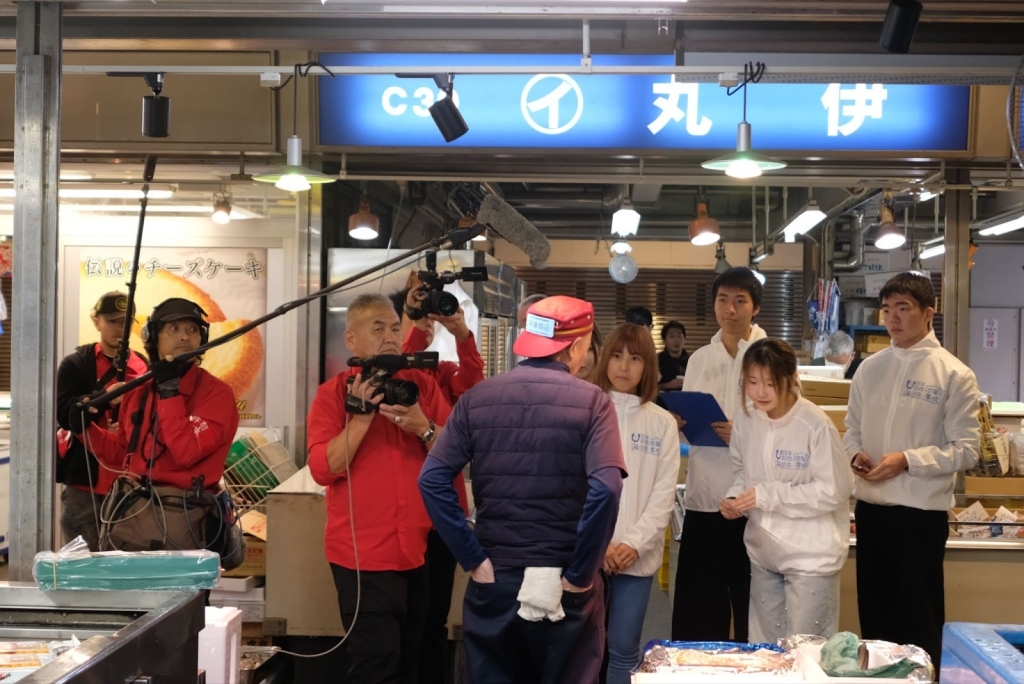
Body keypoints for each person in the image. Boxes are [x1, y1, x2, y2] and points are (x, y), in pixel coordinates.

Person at [419, 295, 626, 684]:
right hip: (567, 583)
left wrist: (471, 557)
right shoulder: (594, 403)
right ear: (576, 347)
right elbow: (607, 488)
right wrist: (583, 572)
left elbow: (431, 479)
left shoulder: (478, 398)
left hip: (495, 578)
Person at [307, 293, 451, 684]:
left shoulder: (420, 385)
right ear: (351, 339)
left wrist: (423, 427)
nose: (390, 336)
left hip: (417, 551)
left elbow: (457, 452)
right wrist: (359, 420)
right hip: (362, 558)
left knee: (410, 663)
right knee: (376, 666)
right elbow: (322, 469)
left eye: (394, 328)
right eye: (378, 328)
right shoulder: (332, 395)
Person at [845, 272, 980, 667]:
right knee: (874, 617)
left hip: (920, 517)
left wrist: (907, 459)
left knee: (918, 621)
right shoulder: (870, 368)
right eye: (887, 309)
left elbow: (966, 450)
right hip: (871, 511)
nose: (892, 317)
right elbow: (851, 430)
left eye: (903, 308)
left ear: (928, 313)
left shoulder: (954, 373)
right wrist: (855, 455)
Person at [70, 298, 241, 558]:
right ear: (152, 337)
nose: (184, 336)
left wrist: (169, 393)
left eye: (193, 329)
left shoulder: (217, 394)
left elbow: (186, 452)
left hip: (189, 521)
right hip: (134, 518)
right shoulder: (138, 389)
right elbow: (122, 454)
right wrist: (85, 429)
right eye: (174, 328)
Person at [721, 339, 853, 644]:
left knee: (805, 652)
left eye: (771, 383)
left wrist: (767, 495)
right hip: (763, 553)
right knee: (766, 651)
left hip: (811, 558)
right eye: (752, 382)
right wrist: (735, 497)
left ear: (792, 378)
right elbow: (742, 472)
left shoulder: (814, 424)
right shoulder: (746, 420)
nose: (761, 392)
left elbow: (834, 490)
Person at [393, 287, 485, 684]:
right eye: (416, 317)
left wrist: (463, 334)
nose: (427, 325)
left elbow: (473, 388)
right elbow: (400, 366)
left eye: (431, 319)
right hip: (401, 514)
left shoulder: (441, 374)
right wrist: (415, 326)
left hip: (443, 513)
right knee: (404, 618)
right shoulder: (387, 375)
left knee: (434, 617)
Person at [672, 267, 767, 642]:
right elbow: (692, 416)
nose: (730, 309)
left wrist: (740, 432)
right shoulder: (699, 358)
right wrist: (681, 421)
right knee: (701, 602)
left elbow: (788, 423)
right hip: (705, 494)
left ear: (755, 307)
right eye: (723, 300)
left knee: (751, 602)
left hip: (752, 499)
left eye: (740, 301)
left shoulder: (771, 356)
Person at [595, 324, 679, 684]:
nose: (624, 366)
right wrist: (600, 544)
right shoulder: (587, 410)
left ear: (648, 367)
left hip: (636, 557)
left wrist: (633, 543)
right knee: (581, 648)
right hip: (589, 553)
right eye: (616, 356)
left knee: (624, 649)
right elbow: (576, 486)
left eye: (634, 359)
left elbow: (663, 495)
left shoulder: (662, 423)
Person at [55, 291, 148, 551]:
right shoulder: (76, 364)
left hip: (131, 480)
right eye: (112, 321)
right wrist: (104, 398)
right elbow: (63, 414)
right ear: (96, 321)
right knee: (84, 556)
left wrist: (130, 429)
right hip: (86, 480)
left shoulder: (143, 366)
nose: (119, 328)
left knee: (129, 554)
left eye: (125, 322)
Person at [657, 321, 689, 391]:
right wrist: (668, 385)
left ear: (684, 339)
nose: (676, 340)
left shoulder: (691, 360)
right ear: (664, 341)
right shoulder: (656, 360)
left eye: (679, 336)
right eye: (671, 337)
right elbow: (647, 388)